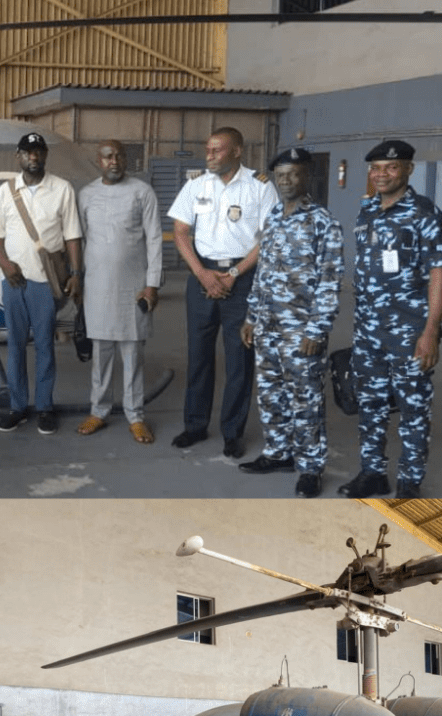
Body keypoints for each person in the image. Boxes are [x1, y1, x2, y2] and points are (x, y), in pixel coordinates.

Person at [338, 140, 442, 500]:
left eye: (391, 168)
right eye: (376, 168)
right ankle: (373, 473)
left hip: (409, 331)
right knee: (371, 404)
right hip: (369, 330)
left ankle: (410, 483)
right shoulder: (367, 210)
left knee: (413, 408)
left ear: (409, 170)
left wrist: (430, 331)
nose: (382, 175)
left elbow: (438, 273)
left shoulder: (424, 214)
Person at [239, 148, 345, 499]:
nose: (286, 181)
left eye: (293, 174)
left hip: (301, 332)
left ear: (306, 177)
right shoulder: (273, 217)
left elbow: (330, 281)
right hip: (268, 328)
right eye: (280, 175)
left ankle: (311, 467)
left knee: (306, 400)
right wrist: (252, 316)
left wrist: (317, 330)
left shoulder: (323, 222)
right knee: (271, 395)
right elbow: (263, 272)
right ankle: (278, 453)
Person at [168, 127, 278, 459]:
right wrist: (202, 273)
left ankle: (233, 432)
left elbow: (268, 239)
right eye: (208, 149)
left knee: (239, 359)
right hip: (202, 276)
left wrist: (232, 274)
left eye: (218, 150)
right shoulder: (196, 185)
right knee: (199, 355)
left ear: (237, 152)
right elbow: (180, 231)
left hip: (242, 280)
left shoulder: (259, 187)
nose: (210, 155)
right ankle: (195, 425)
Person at [0, 132, 83, 435]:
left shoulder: (62, 189)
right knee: (15, 346)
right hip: (14, 280)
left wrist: (76, 273)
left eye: (38, 152)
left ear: (45, 155)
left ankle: (44, 407)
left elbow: (72, 236)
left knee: (45, 345)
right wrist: (4, 263)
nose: (34, 157)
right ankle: (17, 407)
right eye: (28, 152)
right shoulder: (5, 192)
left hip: (47, 282)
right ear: (18, 156)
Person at [76, 140, 163, 444]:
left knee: (133, 355)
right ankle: (98, 411)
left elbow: (154, 239)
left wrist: (152, 284)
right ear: (98, 161)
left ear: (126, 160)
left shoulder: (142, 192)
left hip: (134, 288)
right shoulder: (86, 195)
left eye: (119, 156)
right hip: (97, 287)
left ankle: (135, 416)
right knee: (101, 354)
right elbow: (81, 240)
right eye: (108, 157)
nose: (114, 161)